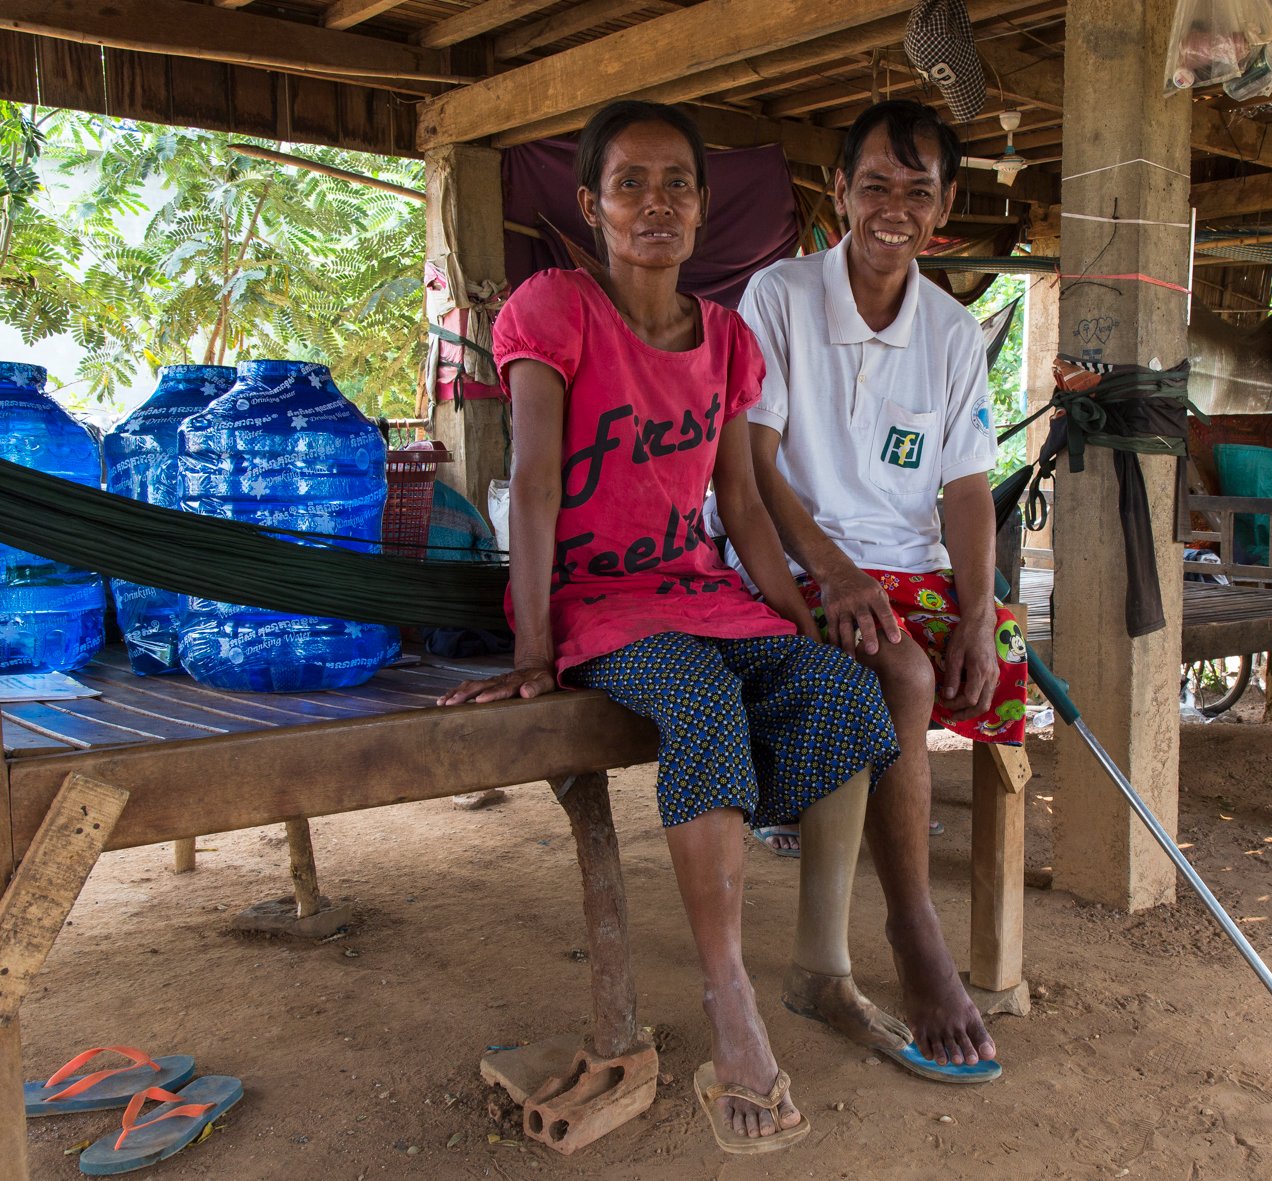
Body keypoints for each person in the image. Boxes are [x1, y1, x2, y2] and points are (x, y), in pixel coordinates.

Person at [436, 101, 898, 1153]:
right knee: (698, 697)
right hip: (593, 605)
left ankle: (793, 948)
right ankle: (727, 994)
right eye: (630, 184)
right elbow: (538, 483)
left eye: (677, 185)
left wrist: (795, 623)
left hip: (697, 594)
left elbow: (739, 503)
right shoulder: (554, 307)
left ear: (699, 209)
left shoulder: (726, 337)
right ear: (591, 205)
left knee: (839, 690)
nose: (656, 204)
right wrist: (531, 652)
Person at [736, 98, 1028, 1081]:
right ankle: (911, 928)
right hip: (787, 555)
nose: (891, 209)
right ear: (837, 193)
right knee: (900, 672)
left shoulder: (950, 332)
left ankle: (915, 917)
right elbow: (757, 462)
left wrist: (980, 616)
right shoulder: (775, 296)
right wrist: (831, 568)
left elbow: (965, 487)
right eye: (873, 185)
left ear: (942, 208)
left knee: (993, 666)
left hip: (905, 566)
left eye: (916, 190)